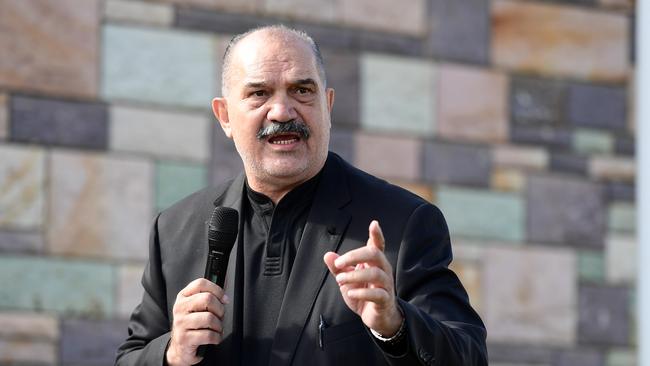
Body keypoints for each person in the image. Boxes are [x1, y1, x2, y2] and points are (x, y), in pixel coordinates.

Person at [115, 25, 487, 366]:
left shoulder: (401, 223)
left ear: (328, 106)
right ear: (225, 116)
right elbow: (130, 357)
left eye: (302, 91)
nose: (282, 110)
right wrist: (171, 352)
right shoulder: (175, 230)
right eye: (259, 93)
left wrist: (395, 324)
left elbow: (468, 356)